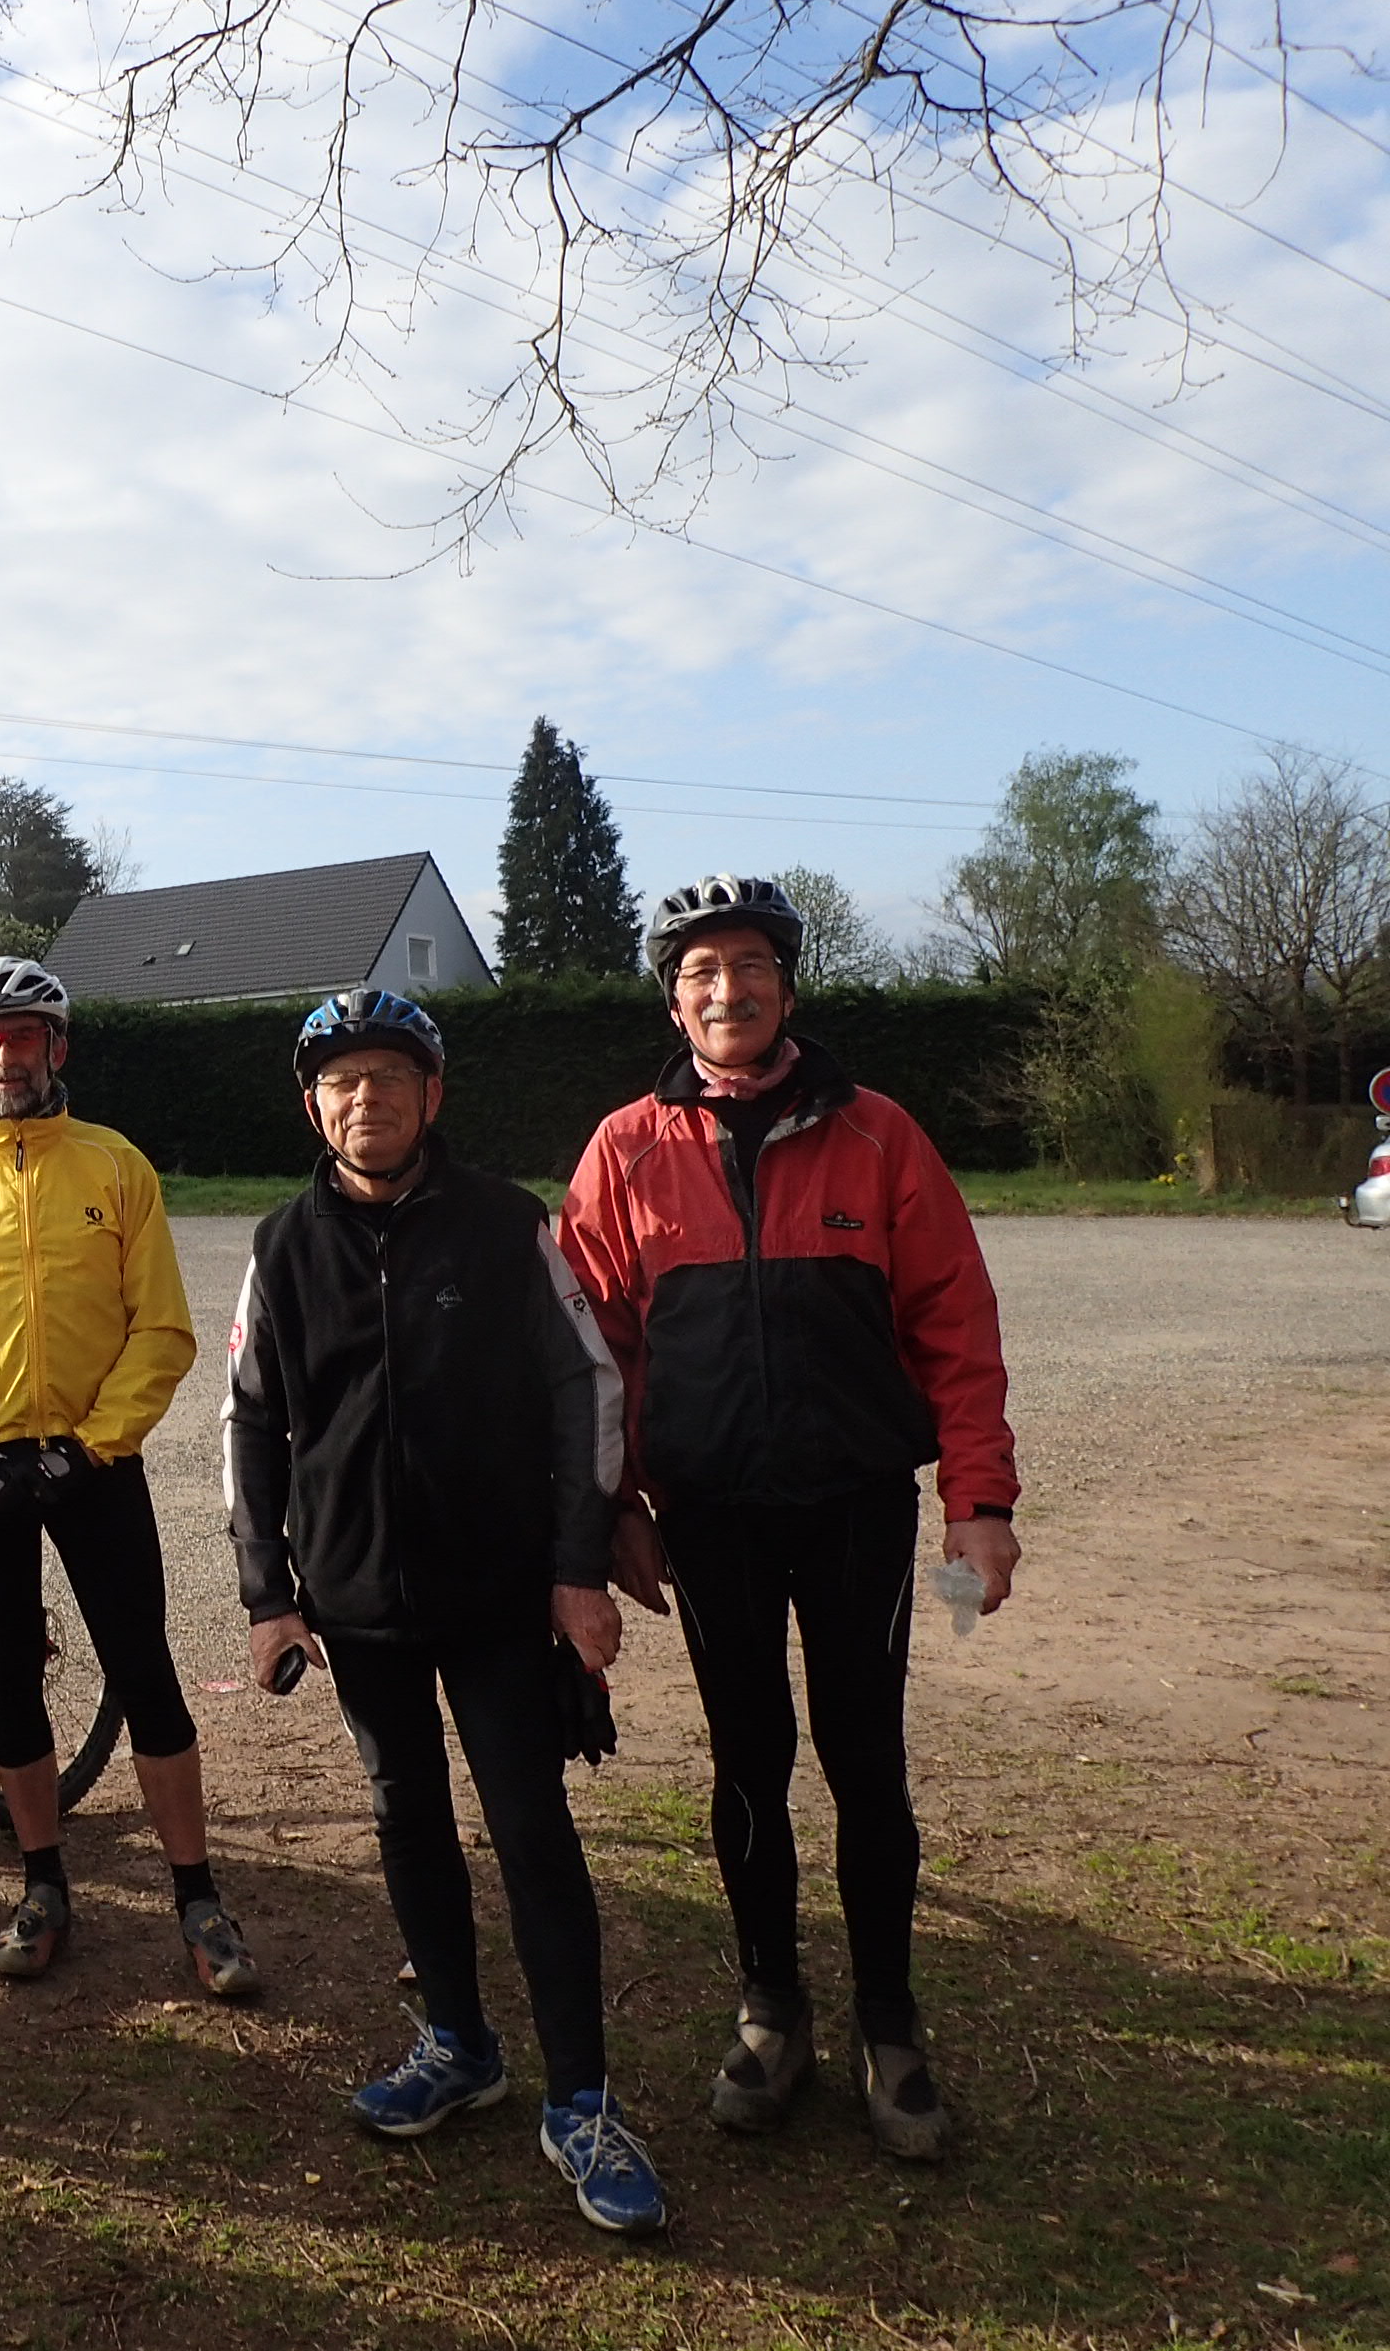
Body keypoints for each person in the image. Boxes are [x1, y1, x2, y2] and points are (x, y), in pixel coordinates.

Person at [559, 874, 1023, 2162]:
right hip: (709, 1516)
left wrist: (977, 1500)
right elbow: (589, 1351)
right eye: (701, 972)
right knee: (746, 1760)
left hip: (855, 1508)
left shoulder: (877, 1133)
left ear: (786, 987)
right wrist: (610, 1509)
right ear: (673, 1001)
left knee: (864, 1759)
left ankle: (887, 2023)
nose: (728, 990)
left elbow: (954, 1321)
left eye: (750, 966)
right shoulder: (623, 1149)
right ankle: (771, 2008)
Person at [223, 989, 666, 2234]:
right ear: (311, 1106)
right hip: (356, 1601)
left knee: (529, 1831)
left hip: (497, 1595)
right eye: (340, 1082)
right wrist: (268, 1596)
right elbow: (250, 1420)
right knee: (404, 1818)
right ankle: (459, 2046)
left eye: (388, 1078)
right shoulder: (280, 1244)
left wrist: (575, 1569)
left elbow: (584, 1389)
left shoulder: (505, 1224)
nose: (364, 1100)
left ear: (432, 1096)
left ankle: (579, 2101)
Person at [0, 958, 250, 1995]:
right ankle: (42, 1886)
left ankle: (198, 1897)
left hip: (94, 1465)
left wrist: (86, 1447)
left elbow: (161, 1329)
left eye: (22, 1037)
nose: (3, 1057)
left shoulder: (114, 1166)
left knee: (144, 1672)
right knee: (9, 1673)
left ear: (57, 1048)